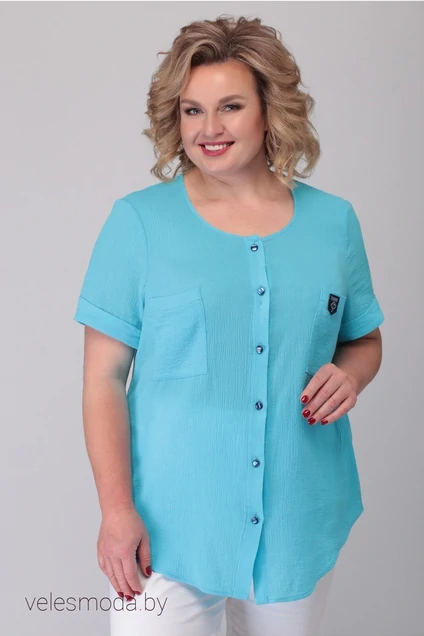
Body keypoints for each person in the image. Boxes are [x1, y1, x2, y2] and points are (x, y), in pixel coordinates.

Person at [73, 15, 384, 636]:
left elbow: (364, 338)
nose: (208, 129)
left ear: (270, 110)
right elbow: (103, 379)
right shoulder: (138, 223)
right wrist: (116, 510)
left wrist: (351, 375)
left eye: (230, 107)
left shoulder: (334, 224)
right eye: (192, 110)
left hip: (297, 518)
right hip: (165, 527)